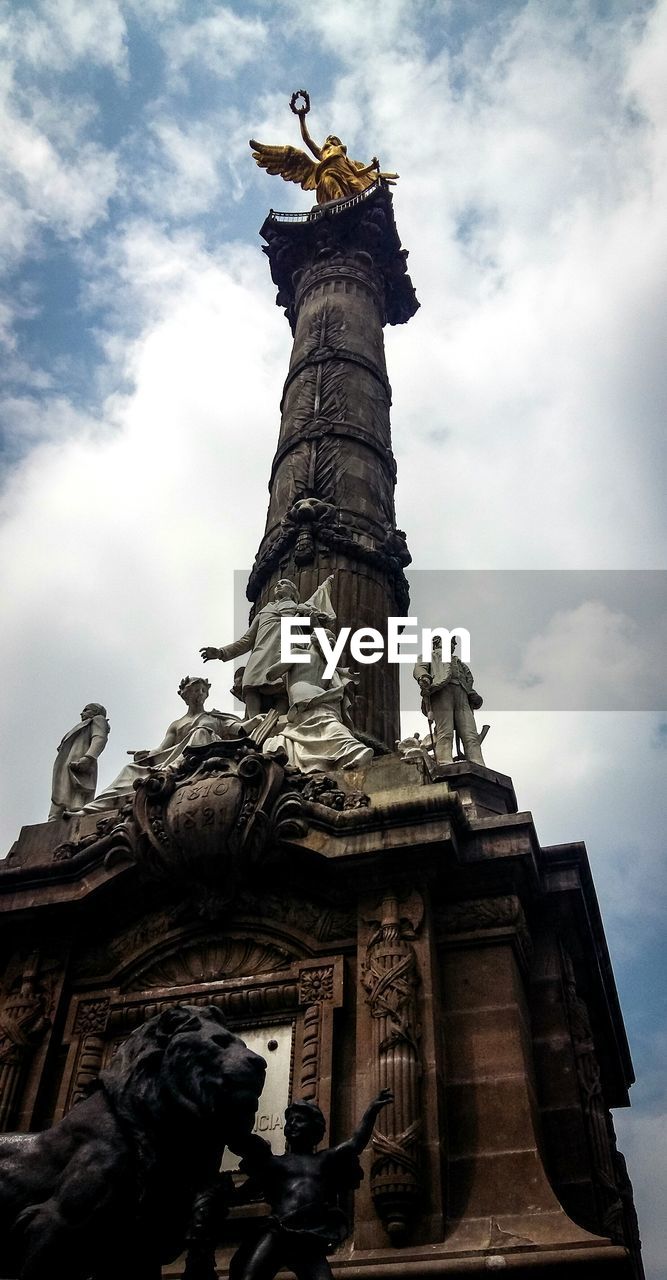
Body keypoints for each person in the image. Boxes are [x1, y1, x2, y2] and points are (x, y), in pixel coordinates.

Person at [229, 1090, 393, 1280]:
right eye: (289, 1121)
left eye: (299, 1120)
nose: (292, 1124)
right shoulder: (276, 1163)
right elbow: (247, 1177)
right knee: (250, 1276)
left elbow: (355, 1143)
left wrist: (371, 1111)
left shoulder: (323, 1160)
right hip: (278, 1230)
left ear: (315, 1129)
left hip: (307, 1234)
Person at [75, 677, 242, 814]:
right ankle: (91, 809)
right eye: (196, 690)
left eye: (203, 690)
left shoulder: (215, 717)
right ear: (186, 695)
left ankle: (172, 769)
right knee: (130, 769)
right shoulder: (176, 724)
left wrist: (259, 719)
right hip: (174, 758)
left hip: (202, 757)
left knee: (201, 732)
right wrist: (147, 754)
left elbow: (242, 729)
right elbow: (162, 749)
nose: (200, 693)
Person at [200, 576, 335, 720]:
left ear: (293, 593)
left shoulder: (301, 609)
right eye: (277, 583)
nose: (278, 585)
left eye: (284, 583)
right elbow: (246, 640)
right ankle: (253, 723)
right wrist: (221, 652)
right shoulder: (264, 611)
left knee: (283, 689)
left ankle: (275, 722)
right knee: (251, 685)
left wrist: (311, 617)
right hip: (261, 652)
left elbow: (318, 631)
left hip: (286, 649)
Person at [263, 628, 373, 773]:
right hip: (323, 700)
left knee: (306, 731)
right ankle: (355, 750)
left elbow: (270, 674)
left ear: (312, 641)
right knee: (328, 726)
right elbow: (339, 690)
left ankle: (353, 752)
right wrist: (321, 697)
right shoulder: (329, 668)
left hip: (304, 699)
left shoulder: (299, 654)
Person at [413, 636, 486, 765]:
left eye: (453, 644)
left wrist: (472, 695)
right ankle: (444, 761)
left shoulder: (459, 663)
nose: (452, 645)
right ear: (437, 644)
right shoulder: (430, 656)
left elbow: (467, 681)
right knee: (445, 731)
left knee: (470, 734)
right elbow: (419, 668)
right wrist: (424, 678)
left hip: (462, 694)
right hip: (441, 691)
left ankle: (477, 762)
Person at [48, 703, 110, 819]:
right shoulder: (81, 726)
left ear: (96, 712)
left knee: (78, 792)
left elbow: (99, 738)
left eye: (86, 710)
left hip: (81, 762)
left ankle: (73, 815)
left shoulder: (98, 720)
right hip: (67, 763)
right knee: (62, 789)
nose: (82, 713)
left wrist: (88, 758)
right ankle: (54, 818)